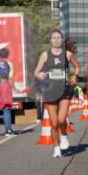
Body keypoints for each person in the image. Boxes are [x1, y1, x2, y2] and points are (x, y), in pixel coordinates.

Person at [33, 29, 81, 157]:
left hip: (64, 89)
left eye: (58, 38)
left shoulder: (68, 54)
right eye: (53, 38)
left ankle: (64, 133)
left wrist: (75, 76)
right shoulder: (45, 55)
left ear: (62, 40)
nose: (56, 40)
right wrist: (40, 74)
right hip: (49, 90)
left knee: (61, 119)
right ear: (50, 40)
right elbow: (36, 72)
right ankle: (56, 147)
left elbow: (77, 67)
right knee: (54, 123)